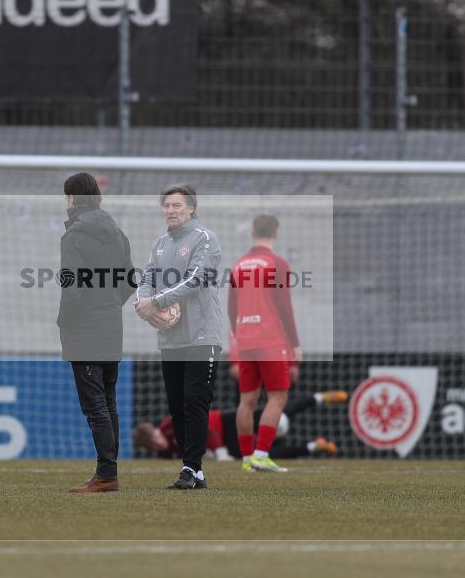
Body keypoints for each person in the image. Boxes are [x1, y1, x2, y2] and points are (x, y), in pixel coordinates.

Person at [135, 184, 223, 489]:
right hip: (171, 339)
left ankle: (190, 467)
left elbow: (196, 280)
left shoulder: (206, 239)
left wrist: (156, 302)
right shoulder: (159, 244)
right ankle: (195, 473)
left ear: (191, 208)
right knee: (176, 405)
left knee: (194, 402)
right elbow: (146, 278)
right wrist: (142, 303)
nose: (170, 210)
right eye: (167, 206)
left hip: (201, 337)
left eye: (176, 205)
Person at [57, 172, 135, 493]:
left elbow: (71, 289)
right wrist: (110, 304)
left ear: (73, 198)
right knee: (109, 403)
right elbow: (131, 282)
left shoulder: (73, 237)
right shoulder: (118, 234)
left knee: (95, 407)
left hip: (86, 330)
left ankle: (106, 475)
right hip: (111, 326)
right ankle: (108, 472)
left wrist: (65, 322)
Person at [228, 214, 301, 473]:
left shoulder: (238, 265)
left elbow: (231, 308)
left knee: (247, 400)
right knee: (278, 396)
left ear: (252, 233)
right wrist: (295, 344)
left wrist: (238, 339)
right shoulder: (277, 263)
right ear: (276, 233)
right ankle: (261, 453)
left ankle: (247, 459)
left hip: (245, 338)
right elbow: (284, 307)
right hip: (270, 339)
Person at [133, 390, 348, 460]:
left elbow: (205, 429)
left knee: (276, 418)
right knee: (261, 456)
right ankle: (313, 446)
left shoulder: (169, 425)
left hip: (223, 424)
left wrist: (219, 450)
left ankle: (320, 398)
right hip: (226, 443)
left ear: (156, 431)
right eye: (154, 445)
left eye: (156, 439)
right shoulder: (165, 454)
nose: (159, 444)